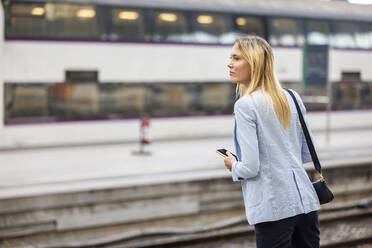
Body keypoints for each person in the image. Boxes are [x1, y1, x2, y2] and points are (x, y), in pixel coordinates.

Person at [224, 36, 320, 248]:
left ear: (254, 63)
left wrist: (233, 165)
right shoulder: (292, 97)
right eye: (230, 57)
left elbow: (250, 168)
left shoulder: (245, 106)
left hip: (273, 207)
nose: (229, 63)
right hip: (305, 202)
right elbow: (306, 153)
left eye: (237, 58)